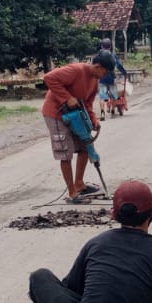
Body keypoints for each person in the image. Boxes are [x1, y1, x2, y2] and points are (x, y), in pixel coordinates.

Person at [43, 52, 114, 202]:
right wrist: (67, 98)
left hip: (76, 115)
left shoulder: (94, 81)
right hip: (56, 114)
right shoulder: (76, 70)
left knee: (85, 146)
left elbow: (88, 103)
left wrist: (93, 120)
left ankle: (79, 184)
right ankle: (72, 193)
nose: (105, 75)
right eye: (105, 72)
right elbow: (49, 78)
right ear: (97, 66)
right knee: (66, 152)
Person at [95, 39, 130, 119]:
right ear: (110, 46)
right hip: (111, 78)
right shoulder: (112, 56)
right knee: (114, 95)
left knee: (102, 96)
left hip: (102, 78)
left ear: (102, 46)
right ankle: (113, 110)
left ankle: (102, 113)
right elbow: (119, 65)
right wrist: (124, 73)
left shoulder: (98, 56)